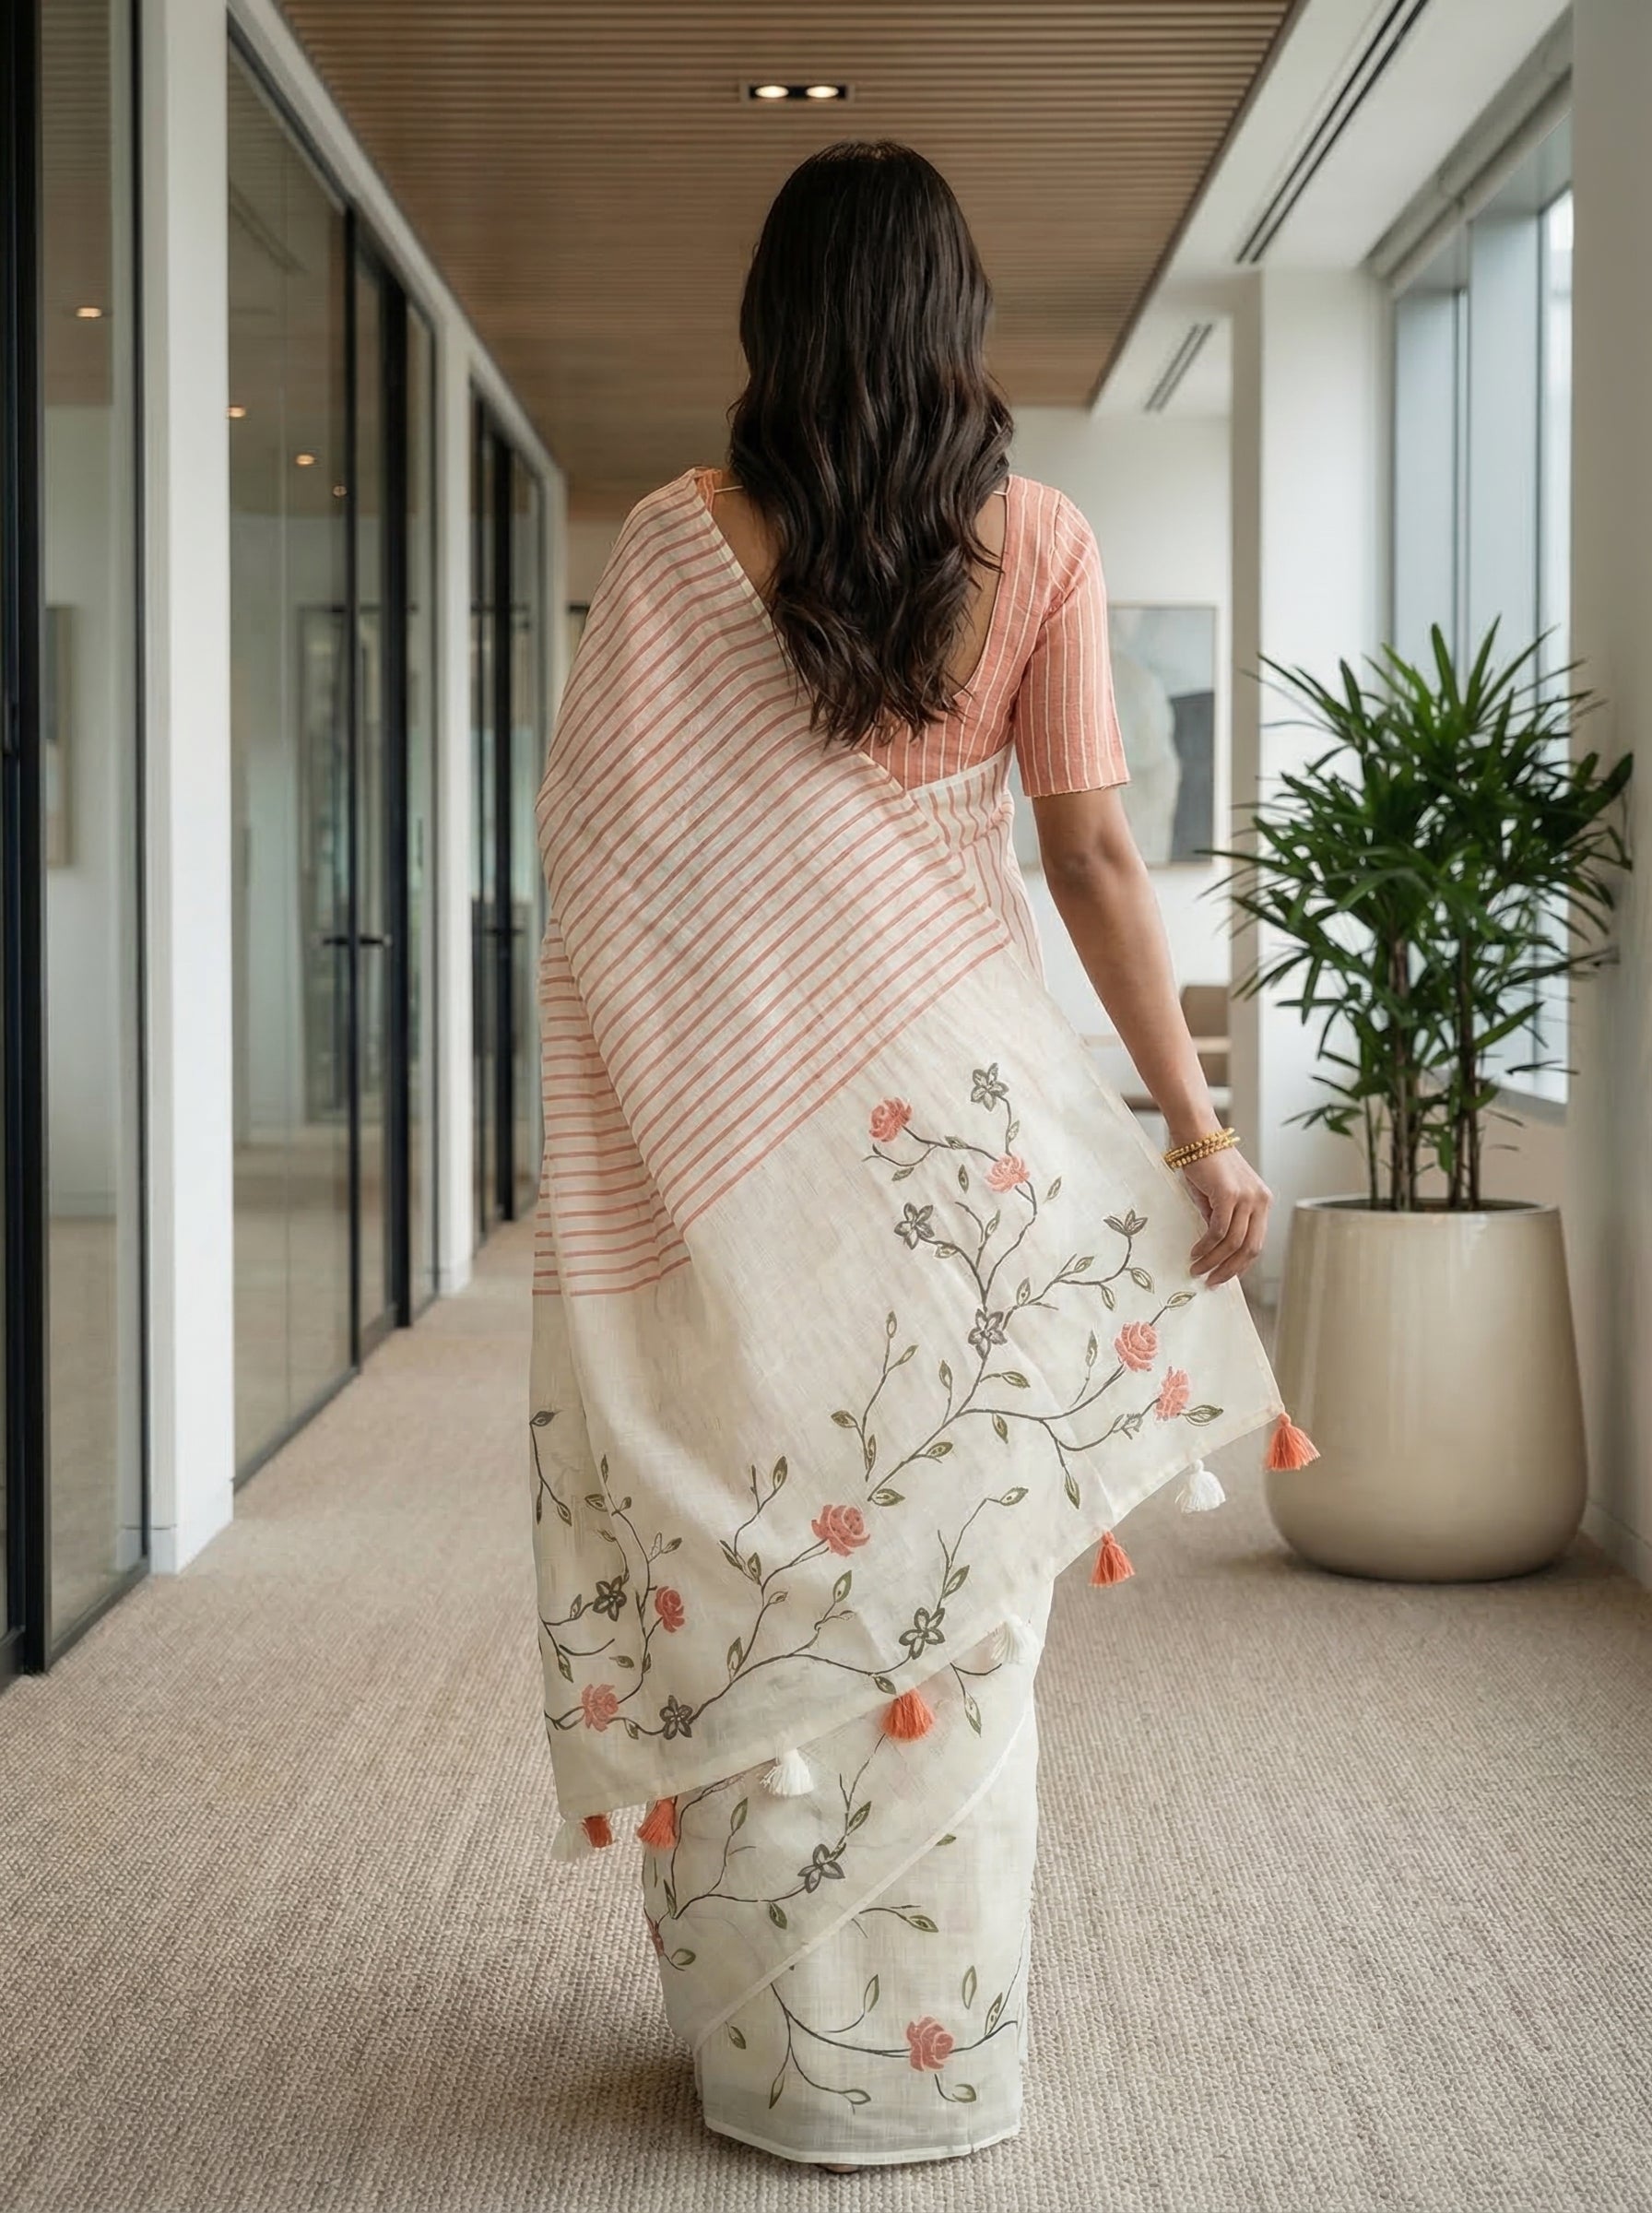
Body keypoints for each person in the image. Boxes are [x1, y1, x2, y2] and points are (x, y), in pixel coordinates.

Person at [527, 140, 1310, 2173]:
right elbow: (1093, 858)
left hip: (743, 1174)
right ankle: (923, 2059)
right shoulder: (1032, 537)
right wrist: (1196, 1124)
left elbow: (610, 889)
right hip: (973, 1175)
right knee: (951, 1614)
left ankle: (761, 2051)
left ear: (772, 322)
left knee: (759, 1565)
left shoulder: (669, 542)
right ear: (952, 319)